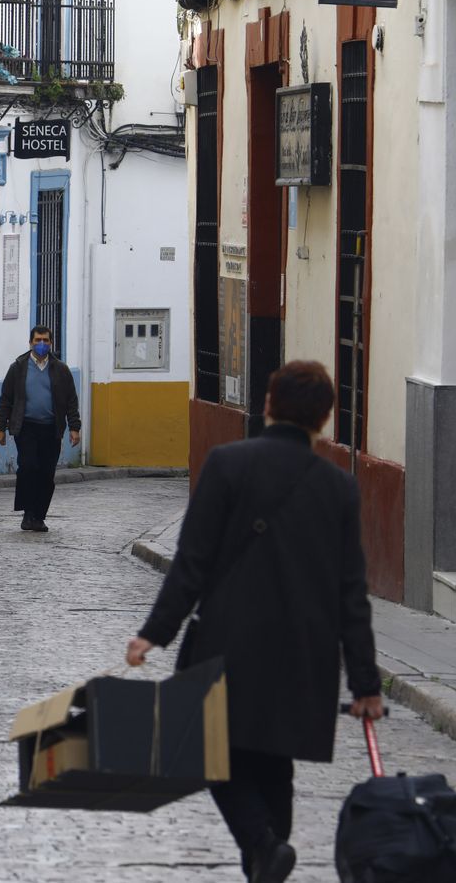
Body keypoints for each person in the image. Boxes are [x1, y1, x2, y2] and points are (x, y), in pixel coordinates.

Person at [125, 361, 384, 883]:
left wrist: (154, 633)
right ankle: (268, 855)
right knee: (273, 762)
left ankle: (264, 846)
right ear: (325, 418)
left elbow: (192, 562)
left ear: (268, 405)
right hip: (304, 653)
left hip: (230, 642)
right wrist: (365, 684)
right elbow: (350, 594)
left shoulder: (227, 464)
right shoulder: (339, 487)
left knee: (204, 748)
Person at [0, 327, 81, 532]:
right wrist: (0, 427)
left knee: (46, 473)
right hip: (26, 427)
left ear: (51, 343)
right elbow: (6, 399)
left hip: (51, 428)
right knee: (28, 467)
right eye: (37, 340)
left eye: (45, 340)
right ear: (30, 342)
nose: (41, 344)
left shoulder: (61, 370)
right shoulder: (18, 368)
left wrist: (74, 427)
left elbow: (71, 400)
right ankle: (28, 514)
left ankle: (39, 516)